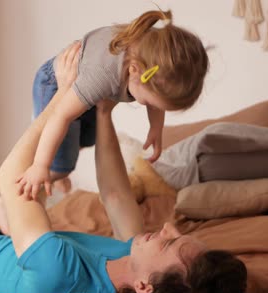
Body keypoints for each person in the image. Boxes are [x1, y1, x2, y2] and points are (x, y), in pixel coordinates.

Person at [0, 44, 246, 293]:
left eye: (167, 244)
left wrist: (65, 94)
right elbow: (117, 195)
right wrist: (104, 113)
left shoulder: (61, 273)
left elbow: (9, 177)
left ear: (145, 286)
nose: (168, 227)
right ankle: (10, 226)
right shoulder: (127, 261)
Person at [16, 9, 209, 200]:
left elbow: (156, 99)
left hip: (86, 85)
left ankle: (58, 166)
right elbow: (60, 116)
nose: (151, 107)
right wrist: (40, 166)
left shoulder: (152, 59)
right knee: (63, 165)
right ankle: (47, 176)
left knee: (89, 137)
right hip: (55, 83)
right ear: (134, 71)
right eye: (150, 102)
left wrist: (156, 128)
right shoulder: (103, 77)